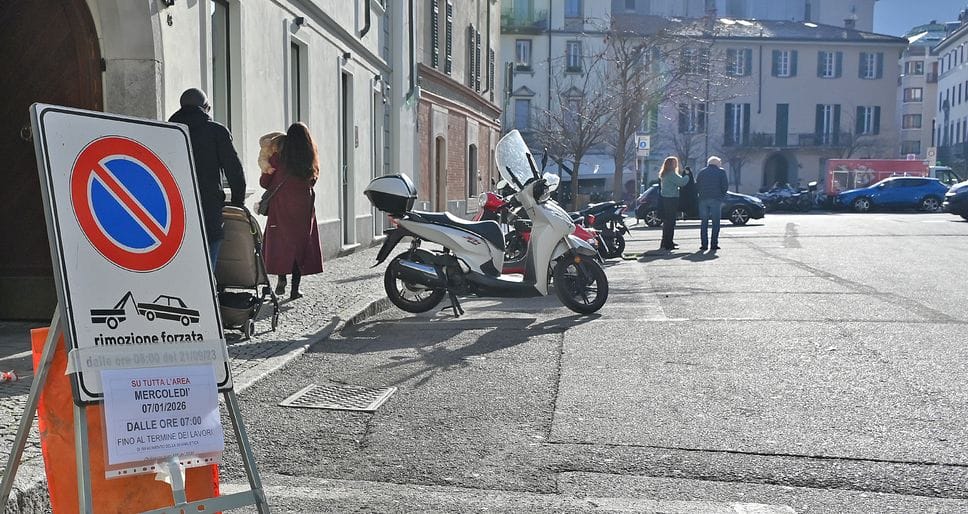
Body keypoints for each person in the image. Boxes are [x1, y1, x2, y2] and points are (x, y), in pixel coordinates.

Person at [168, 88, 246, 269]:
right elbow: (235, 171)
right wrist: (237, 202)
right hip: (208, 207)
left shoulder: (168, 130)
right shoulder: (216, 132)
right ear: (206, 108)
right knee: (208, 263)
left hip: (175, 208)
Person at [260, 122, 324, 300]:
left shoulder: (278, 157)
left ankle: (282, 278)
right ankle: (295, 290)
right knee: (300, 244)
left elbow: (265, 182)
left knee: (282, 241)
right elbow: (313, 180)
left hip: (281, 205)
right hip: (303, 205)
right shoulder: (310, 157)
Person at [695, 156, 729, 251]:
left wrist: (700, 194)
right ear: (717, 163)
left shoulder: (702, 172)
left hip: (703, 199)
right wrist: (721, 196)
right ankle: (714, 244)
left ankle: (704, 244)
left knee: (704, 222)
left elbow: (697, 185)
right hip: (716, 199)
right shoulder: (721, 172)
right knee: (715, 223)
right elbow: (725, 186)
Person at [658, 156, 690, 251]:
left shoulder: (665, 174)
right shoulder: (671, 174)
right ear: (671, 164)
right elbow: (681, 182)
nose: (677, 164)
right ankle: (669, 243)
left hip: (665, 199)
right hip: (671, 199)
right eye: (675, 163)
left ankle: (665, 242)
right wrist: (688, 175)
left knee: (667, 222)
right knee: (671, 222)